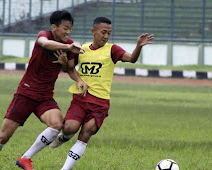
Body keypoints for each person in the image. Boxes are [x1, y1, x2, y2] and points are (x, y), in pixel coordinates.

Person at [0, 10, 88, 170]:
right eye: (65, 28)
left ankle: (25, 158)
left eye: (70, 28)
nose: (68, 32)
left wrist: (77, 78)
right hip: (26, 94)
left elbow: (69, 69)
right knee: (3, 137)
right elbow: (44, 43)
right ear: (54, 27)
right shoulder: (45, 35)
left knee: (56, 124)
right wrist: (67, 47)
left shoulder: (69, 45)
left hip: (45, 97)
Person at [49, 17, 154, 170]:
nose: (106, 36)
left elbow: (131, 59)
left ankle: (65, 169)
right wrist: (65, 64)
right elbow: (69, 69)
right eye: (103, 32)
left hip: (100, 103)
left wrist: (138, 46)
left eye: (109, 33)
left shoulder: (113, 49)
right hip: (80, 99)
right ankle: (64, 137)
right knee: (70, 128)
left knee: (86, 133)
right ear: (94, 31)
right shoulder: (81, 49)